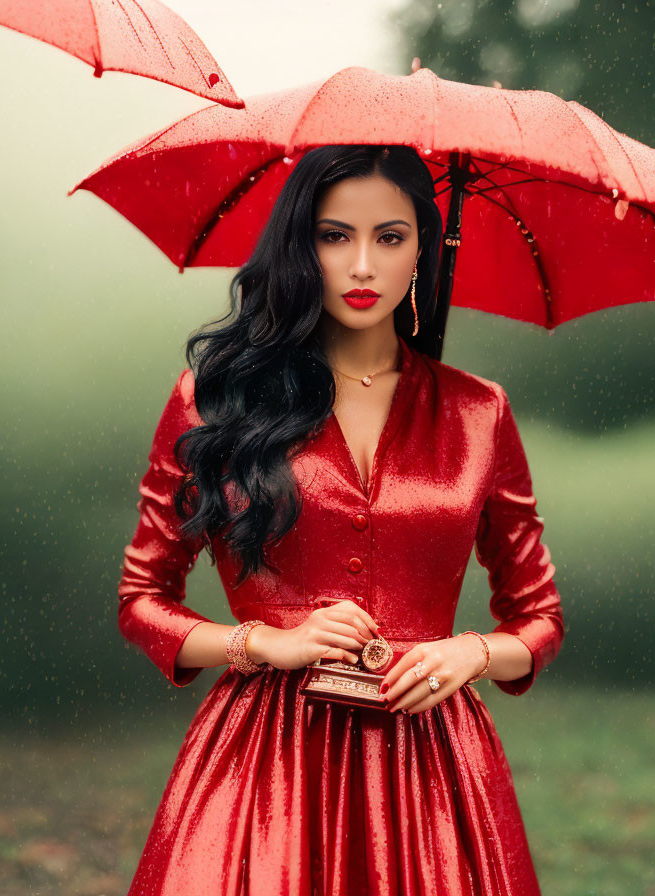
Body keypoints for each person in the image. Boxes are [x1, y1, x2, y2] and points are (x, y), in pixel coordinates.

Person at [117, 144, 566, 896]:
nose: (363, 265)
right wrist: (262, 642)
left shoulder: (479, 410)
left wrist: (472, 655)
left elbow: (539, 618)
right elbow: (141, 601)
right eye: (335, 235)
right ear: (300, 245)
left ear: (424, 246)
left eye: (390, 237)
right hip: (265, 765)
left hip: (434, 767)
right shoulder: (215, 398)